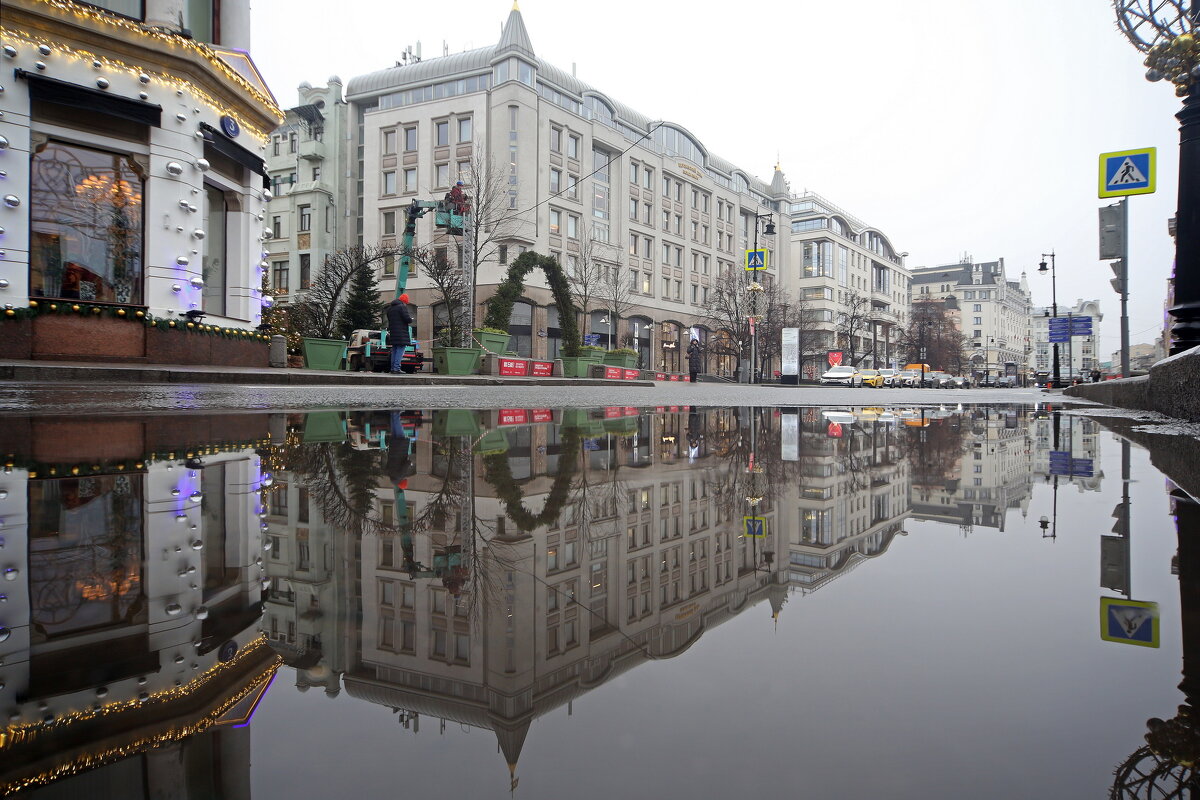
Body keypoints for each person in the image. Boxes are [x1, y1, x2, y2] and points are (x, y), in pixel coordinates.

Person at [385, 294, 414, 374]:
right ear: (404, 301)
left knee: (394, 350)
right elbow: (406, 318)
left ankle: (393, 368)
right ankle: (396, 368)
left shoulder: (390, 308)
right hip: (401, 333)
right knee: (400, 350)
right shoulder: (402, 307)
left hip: (393, 332)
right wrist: (410, 319)